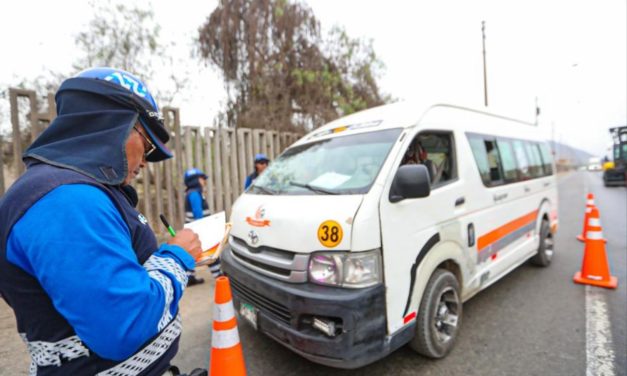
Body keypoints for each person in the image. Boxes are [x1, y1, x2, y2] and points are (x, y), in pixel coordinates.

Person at [0, 68, 206, 376]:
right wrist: (177, 256)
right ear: (114, 125)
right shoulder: (67, 201)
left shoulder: (73, 190)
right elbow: (124, 325)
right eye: (147, 146)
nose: (145, 163)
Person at [184, 168, 222, 281]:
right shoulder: (195, 193)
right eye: (202, 178)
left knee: (192, 253)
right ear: (194, 180)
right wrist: (203, 229)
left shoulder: (192, 193)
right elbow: (198, 213)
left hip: (193, 229)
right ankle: (219, 276)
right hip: (199, 228)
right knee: (211, 252)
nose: (204, 181)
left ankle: (189, 277)